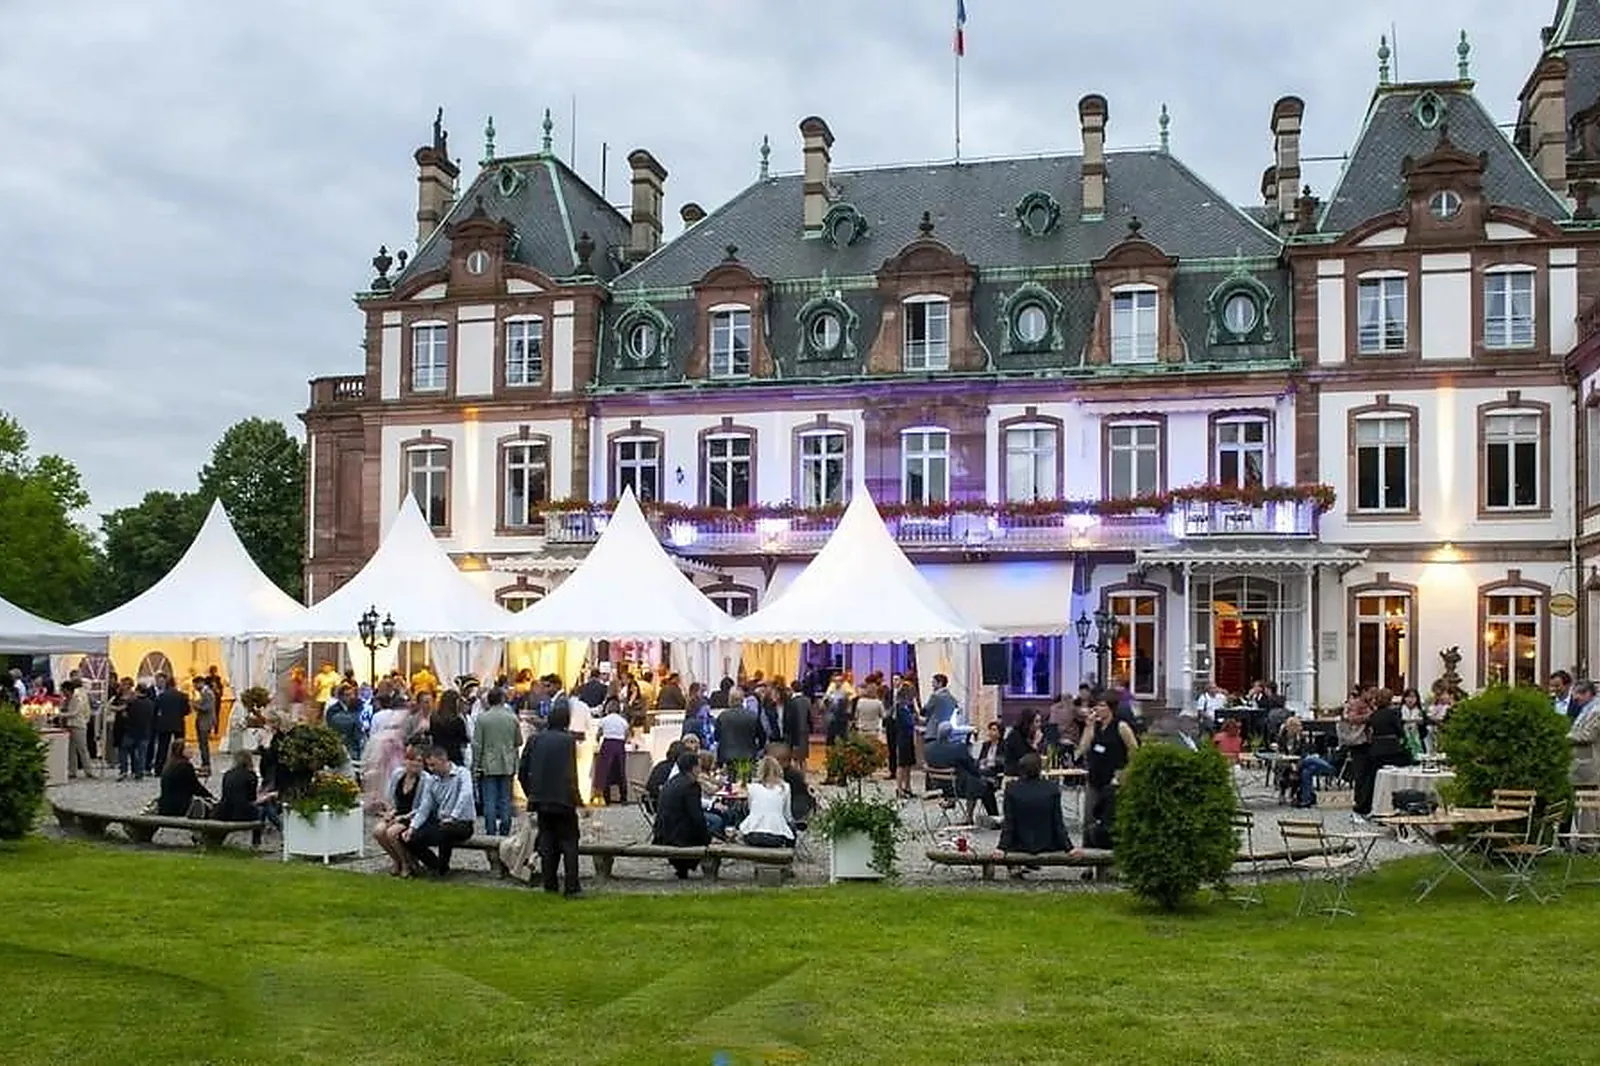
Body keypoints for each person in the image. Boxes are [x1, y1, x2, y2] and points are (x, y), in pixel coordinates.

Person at [518, 701, 583, 896]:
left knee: (547, 840)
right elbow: (571, 774)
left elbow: (522, 770)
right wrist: (577, 798)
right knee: (570, 841)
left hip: (541, 798)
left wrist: (531, 792)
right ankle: (571, 885)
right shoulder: (567, 741)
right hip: (563, 798)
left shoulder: (535, 740)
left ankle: (550, 883)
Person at [402, 746, 476, 877]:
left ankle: (442, 868)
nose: (431, 769)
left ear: (444, 760)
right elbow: (425, 806)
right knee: (408, 837)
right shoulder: (432, 780)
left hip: (462, 823)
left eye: (433, 765)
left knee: (445, 831)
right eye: (428, 765)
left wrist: (453, 816)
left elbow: (466, 795)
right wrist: (412, 828)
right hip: (441, 821)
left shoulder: (462, 774)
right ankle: (435, 864)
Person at [1079, 697, 1138, 847]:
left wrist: (1127, 771)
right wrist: (1089, 726)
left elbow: (1134, 749)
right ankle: (1087, 859)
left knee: (1110, 820)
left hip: (1113, 781)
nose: (1098, 709)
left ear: (1111, 708)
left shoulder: (1120, 726)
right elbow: (1083, 748)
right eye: (1096, 705)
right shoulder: (1095, 726)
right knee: (1089, 819)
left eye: (1102, 705)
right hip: (1094, 778)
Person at [997, 754, 1071, 857]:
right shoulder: (1051, 788)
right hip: (1048, 843)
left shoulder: (1012, 789)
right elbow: (1058, 822)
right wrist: (1069, 847)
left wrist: (1001, 847)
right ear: (1040, 769)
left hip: (1019, 843)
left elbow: (1009, 822)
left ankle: (1014, 868)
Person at [925, 721, 999, 824]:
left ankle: (967, 814)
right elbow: (971, 767)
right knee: (981, 784)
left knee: (975, 780)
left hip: (939, 787)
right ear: (951, 734)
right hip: (959, 788)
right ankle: (991, 816)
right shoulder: (958, 748)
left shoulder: (928, 748)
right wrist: (982, 773)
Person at [653, 750, 712, 878]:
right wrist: (707, 839)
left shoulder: (672, 781)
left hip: (663, 834)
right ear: (694, 768)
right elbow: (696, 816)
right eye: (699, 766)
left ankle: (682, 867)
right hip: (678, 837)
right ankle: (699, 863)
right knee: (712, 824)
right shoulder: (691, 785)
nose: (700, 770)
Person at [473, 687, 520, 835]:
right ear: (502, 699)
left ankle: (491, 831)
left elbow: (477, 745)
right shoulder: (512, 718)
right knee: (505, 799)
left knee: (489, 800)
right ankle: (505, 829)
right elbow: (518, 741)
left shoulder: (482, 719)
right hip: (507, 762)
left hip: (488, 762)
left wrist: (476, 765)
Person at [374, 745, 428, 875]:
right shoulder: (398, 774)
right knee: (378, 831)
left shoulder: (426, 780)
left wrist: (403, 817)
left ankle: (406, 863)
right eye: (412, 760)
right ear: (405, 761)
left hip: (413, 816)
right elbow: (390, 798)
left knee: (392, 833)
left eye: (419, 761)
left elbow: (423, 807)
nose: (415, 763)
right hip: (397, 813)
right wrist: (390, 812)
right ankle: (396, 860)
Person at [216, 748, 277, 846]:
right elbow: (252, 800)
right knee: (264, 807)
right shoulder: (251, 776)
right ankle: (259, 839)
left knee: (263, 805)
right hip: (242, 813)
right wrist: (267, 796)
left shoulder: (228, 774)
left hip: (225, 811)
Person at [738, 756, 795, 849]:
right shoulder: (785, 787)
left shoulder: (752, 787)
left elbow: (750, 809)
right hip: (776, 837)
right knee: (792, 826)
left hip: (752, 835)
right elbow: (787, 814)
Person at [156, 740, 213, 818]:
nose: (191, 750)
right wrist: (210, 797)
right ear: (180, 750)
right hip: (180, 806)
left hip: (165, 805)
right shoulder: (185, 766)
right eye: (188, 748)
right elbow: (195, 787)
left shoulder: (170, 764)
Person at [591, 697, 631, 803]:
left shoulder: (604, 720)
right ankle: (623, 797)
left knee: (605, 771)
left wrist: (597, 740)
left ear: (608, 709)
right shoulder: (623, 721)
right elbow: (627, 735)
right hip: (619, 746)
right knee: (621, 771)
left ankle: (607, 798)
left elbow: (599, 734)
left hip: (607, 745)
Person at [151, 675, 191, 779]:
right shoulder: (183, 696)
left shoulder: (161, 696)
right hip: (178, 723)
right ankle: (181, 768)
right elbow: (187, 711)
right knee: (180, 747)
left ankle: (158, 769)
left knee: (162, 747)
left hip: (164, 724)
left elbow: (155, 710)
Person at [714, 692, 764, 767]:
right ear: (743, 701)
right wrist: (757, 748)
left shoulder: (722, 716)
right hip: (748, 756)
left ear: (730, 701)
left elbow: (716, 737)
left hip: (727, 756)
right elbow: (762, 736)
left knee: (728, 777)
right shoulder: (753, 716)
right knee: (746, 777)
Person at [59, 680, 94, 779]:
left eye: (63, 690)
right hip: (69, 726)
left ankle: (88, 771)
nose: (63, 693)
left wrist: (60, 714)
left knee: (82, 748)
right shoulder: (66, 700)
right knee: (71, 750)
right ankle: (72, 771)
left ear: (68, 690)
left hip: (78, 725)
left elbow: (75, 712)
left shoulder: (78, 698)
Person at [121, 683, 156, 781]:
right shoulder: (151, 703)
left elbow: (126, 715)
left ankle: (124, 770)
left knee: (124, 749)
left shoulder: (132, 703)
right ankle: (139, 773)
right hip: (145, 732)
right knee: (142, 754)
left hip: (131, 732)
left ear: (137, 691)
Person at [192, 675, 218, 776]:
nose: (194, 687)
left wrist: (195, 705)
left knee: (204, 744)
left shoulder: (208, 693)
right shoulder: (203, 693)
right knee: (202, 744)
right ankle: (204, 764)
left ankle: (206, 765)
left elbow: (206, 707)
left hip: (205, 722)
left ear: (201, 683)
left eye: (195, 684)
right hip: (202, 721)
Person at [921, 674, 958, 742]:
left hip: (933, 731)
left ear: (940, 683)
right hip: (946, 732)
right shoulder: (952, 698)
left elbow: (924, 711)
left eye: (934, 683)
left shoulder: (935, 696)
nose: (932, 685)